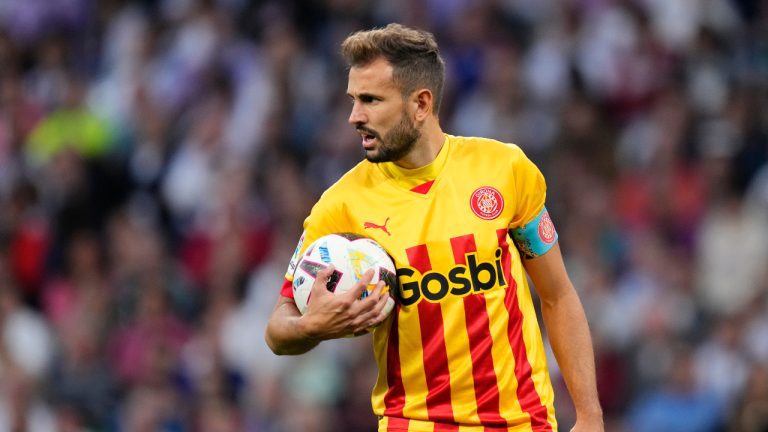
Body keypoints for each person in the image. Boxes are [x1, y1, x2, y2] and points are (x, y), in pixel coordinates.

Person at [265, 23, 603, 432]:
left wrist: (589, 414)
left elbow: (557, 295)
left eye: (370, 100)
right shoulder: (341, 205)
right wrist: (309, 327)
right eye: (353, 100)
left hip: (521, 422)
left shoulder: (504, 170)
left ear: (420, 103)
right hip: (414, 423)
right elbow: (278, 328)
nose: (354, 117)